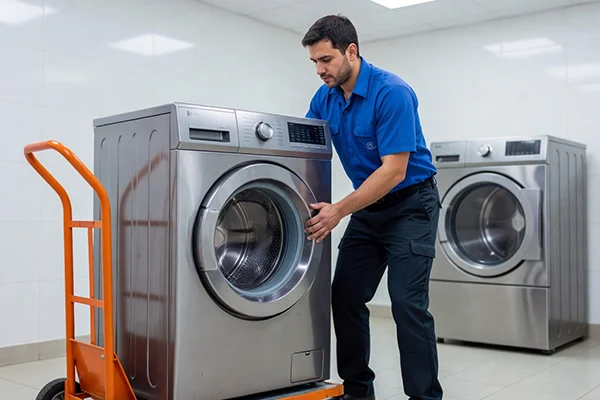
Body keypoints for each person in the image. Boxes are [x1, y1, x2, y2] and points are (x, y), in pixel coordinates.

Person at [301, 14, 444, 400]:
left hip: (411, 204)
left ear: (351, 51)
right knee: (345, 295)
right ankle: (358, 392)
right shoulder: (324, 98)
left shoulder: (391, 92)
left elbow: (394, 171)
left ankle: (425, 397)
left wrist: (339, 210)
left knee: (407, 305)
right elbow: (304, 149)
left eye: (326, 60)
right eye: (314, 62)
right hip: (370, 206)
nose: (320, 70)